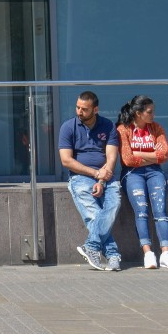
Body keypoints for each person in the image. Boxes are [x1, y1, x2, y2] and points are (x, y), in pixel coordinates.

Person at [58, 90, 122, 272]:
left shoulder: (108, 126)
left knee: (114, 203)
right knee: (94, 214)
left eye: (84, 109)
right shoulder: (68, 127)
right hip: (80, 177)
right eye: (77, 107)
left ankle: (92, 246)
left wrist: (102, 179)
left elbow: (111, 156)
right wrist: (95, 174)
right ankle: (113, 254)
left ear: (95, 109)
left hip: (105, 176)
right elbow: (66, 161)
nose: (79, 112)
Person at [116, 94, 168, 269]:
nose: (153, 115)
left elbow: (164, 155)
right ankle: (148, 253)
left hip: (155, 173)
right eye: (149, 112)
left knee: (160, 210)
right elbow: (127, 160)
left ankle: (166, 253)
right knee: (142, 210)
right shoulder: (124, 129)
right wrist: (152, 157)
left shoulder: (156, 128)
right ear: (138, 113)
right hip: (132, 174)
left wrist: (140, 154)